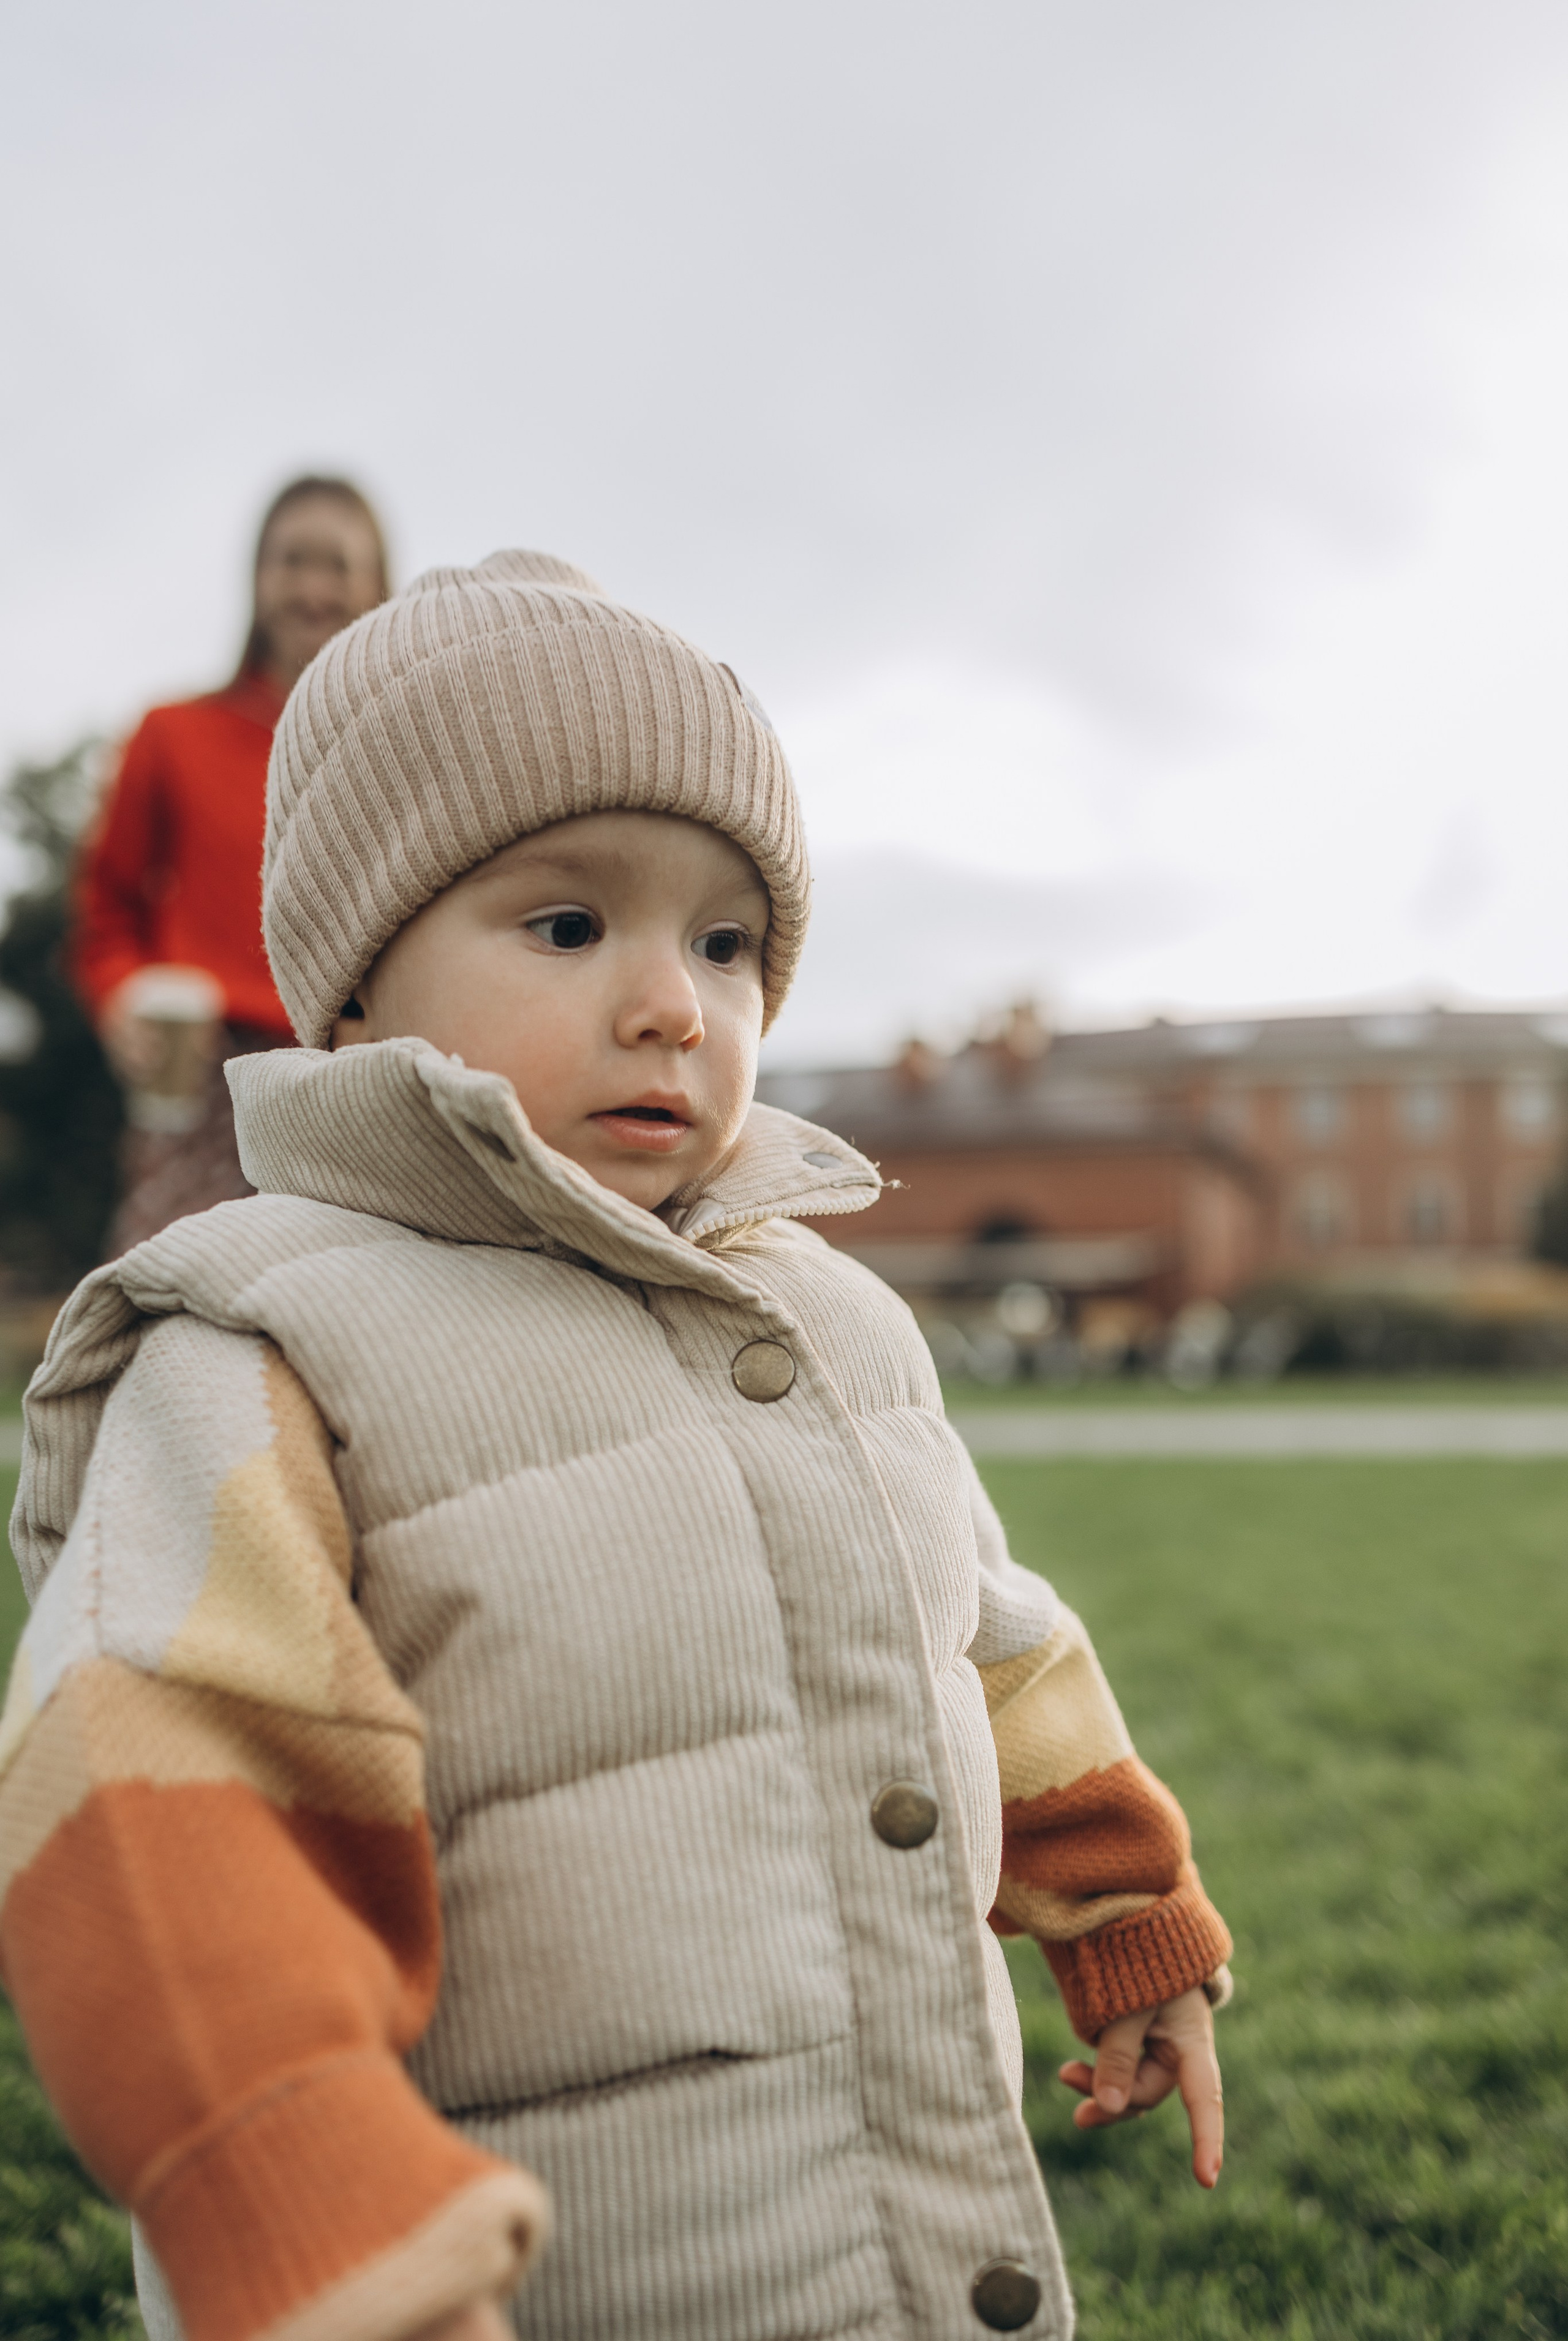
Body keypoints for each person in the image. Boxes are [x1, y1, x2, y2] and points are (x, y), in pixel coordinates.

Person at [0, 554, 1231, 2341]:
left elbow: (989, 1634)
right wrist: (320, 2225)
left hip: (899, 2250)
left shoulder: (830, 1316)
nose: (672, 1001)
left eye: (724, 943)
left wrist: (1129, 1921)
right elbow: (154, 1811)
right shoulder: (265, 1345)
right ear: (352, 983)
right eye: (568, 925)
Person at [70, 475, 390, 1254]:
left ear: (378, 586)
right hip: (204, 1072)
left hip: (352, 1075)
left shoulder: (398, 754)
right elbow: (106, 910)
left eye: (338, 564)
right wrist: (118, 999)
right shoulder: (171, 734)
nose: (314, 586)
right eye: (292, 560)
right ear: (257, 579)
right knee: (164, 1303)